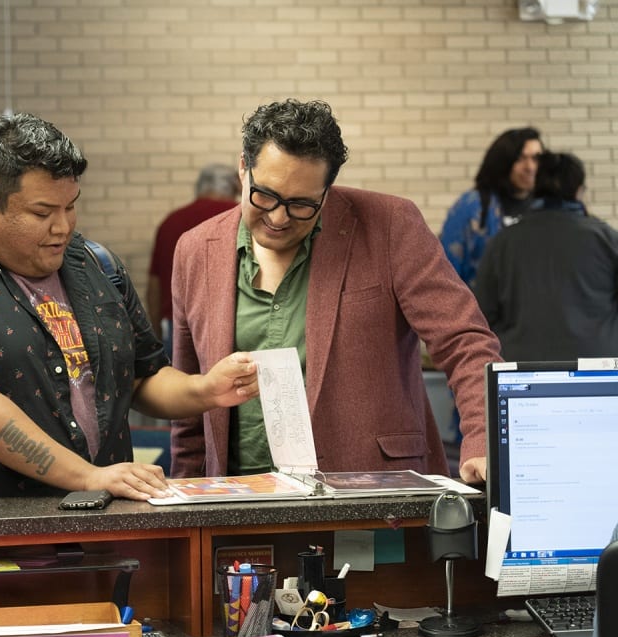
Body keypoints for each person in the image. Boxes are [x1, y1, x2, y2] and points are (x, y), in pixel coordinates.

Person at [0, 112, 258, 501]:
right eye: (42, 213)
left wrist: (206, 390)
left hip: (101, 523)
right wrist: (89, 477)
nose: (63, 227)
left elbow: (143, 377)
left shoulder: (95, 263)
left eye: (70, 207)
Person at [169, 99, 501, 485]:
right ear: (243, 168)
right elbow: (189, 405)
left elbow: (464, 339)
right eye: (266, 196)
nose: (278, 218)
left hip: (373, 491)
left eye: (301, 205)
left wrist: (481, 437)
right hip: (238, 498)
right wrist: (186, 498)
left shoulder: (390, 226)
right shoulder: (195, 250)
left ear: (327, 192)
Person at [473, 151, 618, 362]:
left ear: (535, 189)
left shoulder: (502, 242)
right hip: (597, 368)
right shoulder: (607, 238)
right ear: (579, 191)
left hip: (521, 369)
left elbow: (482, 316)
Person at [147, 163, 241, 356]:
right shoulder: (238, 216)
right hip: (230, 325)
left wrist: (154, 331)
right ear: (234, 187)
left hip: (176, 324)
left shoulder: (170, 221)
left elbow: (154, 285)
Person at [439, 127, 544, 289]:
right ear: (503, 162)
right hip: (481, 309)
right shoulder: (472, 206)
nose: (530, 167)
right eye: (520, 158)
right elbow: (446, 271)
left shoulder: (547, 208)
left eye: (536, 158)